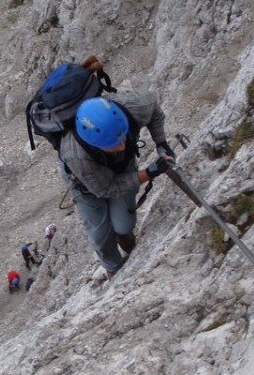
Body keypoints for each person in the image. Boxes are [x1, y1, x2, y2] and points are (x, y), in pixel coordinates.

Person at [55, 86, 173, 278]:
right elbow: (105, 189)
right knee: (100, 232)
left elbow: (155, 113)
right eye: (113, 144)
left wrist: (161, 142)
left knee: (123, 225)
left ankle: (124, 236)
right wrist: (148, 173)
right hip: (85, 184)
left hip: (121, 166)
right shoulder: (76, 156)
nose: (122, 145)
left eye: (123, 136)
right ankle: (113, 267)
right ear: (94, 143)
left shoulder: (137, 105)